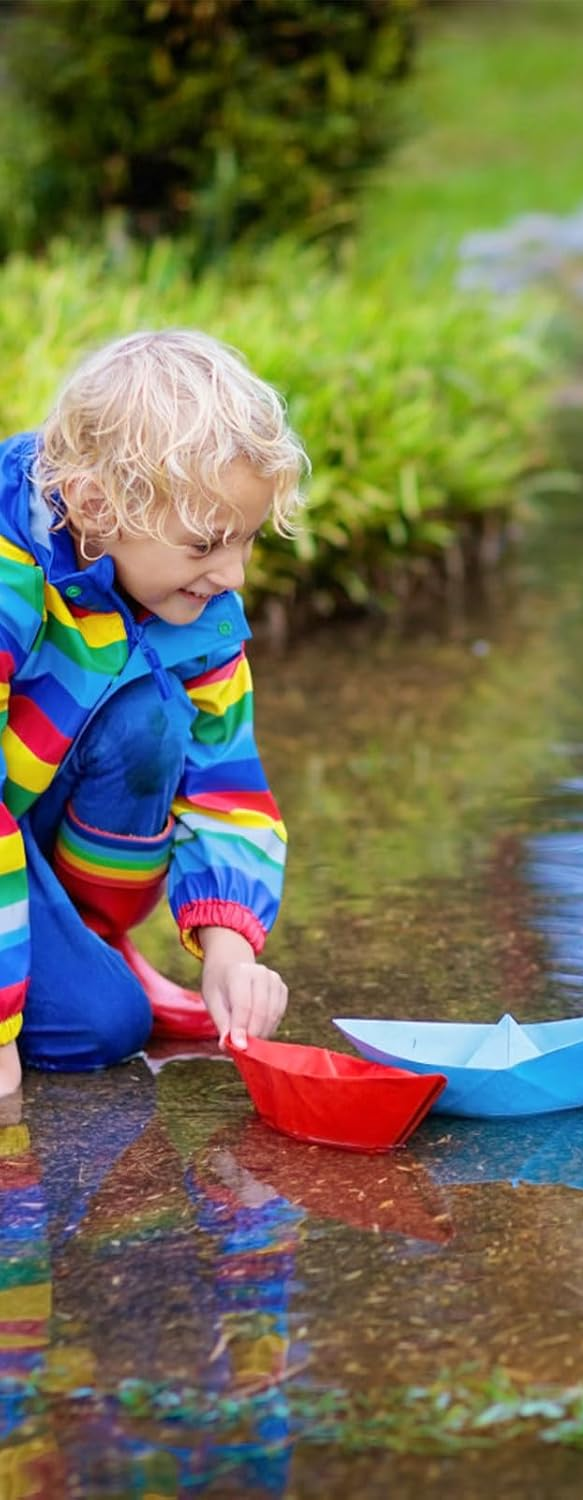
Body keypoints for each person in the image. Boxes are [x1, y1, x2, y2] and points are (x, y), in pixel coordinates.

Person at [0, 329, 305, 1099]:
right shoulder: (10, 573)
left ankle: (92, 939)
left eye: (244, 540)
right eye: (205, 542)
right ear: (96, 505)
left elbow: (225, 779)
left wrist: (231, 947)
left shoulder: (194, 608)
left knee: (153, 718)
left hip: (24, 821)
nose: (231, 573)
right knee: (103, 1027)